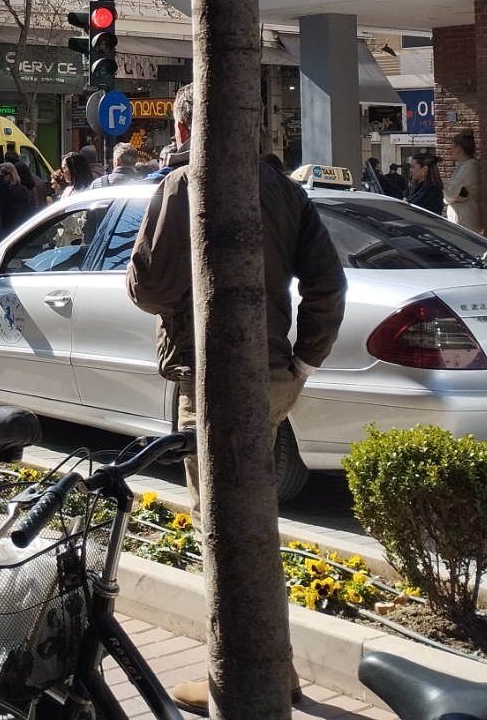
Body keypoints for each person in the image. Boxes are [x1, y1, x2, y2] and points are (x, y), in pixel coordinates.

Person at [125, 82, 345, 714]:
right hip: (275, 373)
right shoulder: (286, 190)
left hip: (210, 376)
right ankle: (277, 667)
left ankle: (242, 673)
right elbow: (329, 284)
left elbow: (146, 286)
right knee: (253, 521)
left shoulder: (182, 186)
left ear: (186, 130)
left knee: (220, 525)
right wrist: (302, 361)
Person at [443, 131, 481, 232]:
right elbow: (449, 194)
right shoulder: (463, 166)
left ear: (459, 149)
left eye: (452, 147)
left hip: (465, 222)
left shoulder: (469, 166)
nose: (450, 151)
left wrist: (449, 197)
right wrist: (451, 197)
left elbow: (450, 192)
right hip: (460, 222)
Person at [0, 160, 32, 229]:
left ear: (8, 175)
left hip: (10, 228)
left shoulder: (6, 192)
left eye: (0, 176)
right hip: (23, 226)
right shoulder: (24, 190)